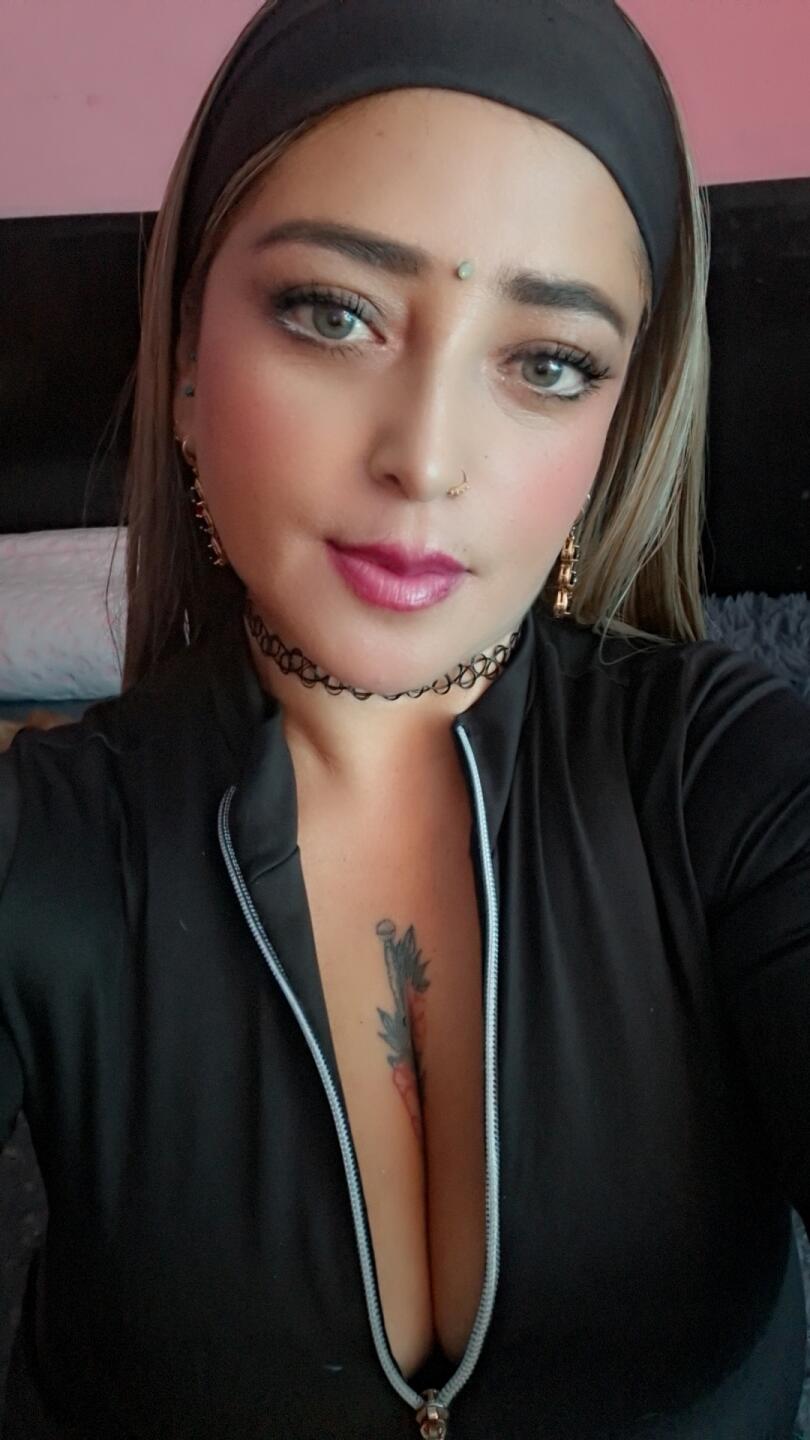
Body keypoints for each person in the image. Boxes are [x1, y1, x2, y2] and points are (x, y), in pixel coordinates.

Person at [1, 0, 808, 1435]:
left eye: (546, 362)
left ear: (615, 426)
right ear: (185, 363)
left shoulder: (726, 780)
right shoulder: (43, 850)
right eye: (334, 313)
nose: (426, 459)